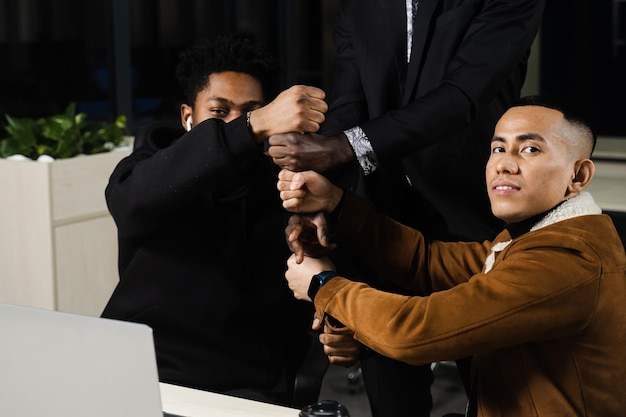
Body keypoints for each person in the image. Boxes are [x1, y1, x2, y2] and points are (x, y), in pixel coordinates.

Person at [267, 1, 545, 414]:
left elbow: (461, 96)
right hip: (383, 219)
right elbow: (348, 104)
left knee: (498, 397)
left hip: (477, 217)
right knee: (393, 400)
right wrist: (321, 197)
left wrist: (343, 147)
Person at [277, 96, 626, 416]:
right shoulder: (533, 238)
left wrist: (323, 284)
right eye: (498, 148)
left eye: (530, 149)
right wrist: (337, 204)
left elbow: (417, 331)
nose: (504, 164)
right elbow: (427, 261)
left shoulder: (567, 258)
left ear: (578, 176)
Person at [100, 35, 358, 407]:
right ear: (188, 116)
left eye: (252, 110)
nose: (239, 123)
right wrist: (252, 124)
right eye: (220, 112)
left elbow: (332, 279)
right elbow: (130, 203)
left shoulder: (291, 185)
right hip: (139, 366)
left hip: (243, 381)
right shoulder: (150, 167)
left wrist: (343, 330)